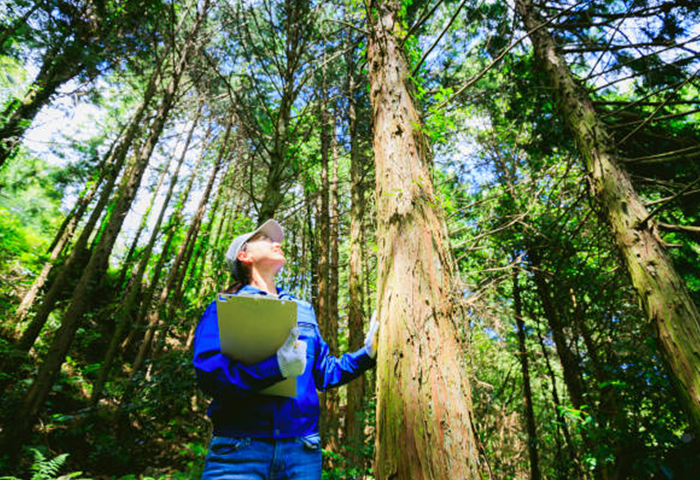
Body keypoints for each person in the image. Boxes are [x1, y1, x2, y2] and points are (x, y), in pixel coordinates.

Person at [193, 219, 380, 480]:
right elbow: (209, 373)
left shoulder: (302, 309)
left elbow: (324, 372)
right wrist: (275, 368)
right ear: (244, 256)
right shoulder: (223, 308)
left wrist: (367, 354)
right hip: (238, 449)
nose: (276, 243)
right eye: (265, 240)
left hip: (302, 449)